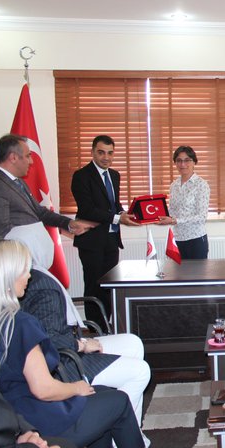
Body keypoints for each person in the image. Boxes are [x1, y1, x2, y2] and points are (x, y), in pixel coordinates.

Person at [0, 237, 163, 448]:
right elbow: (43, 389)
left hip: (11, 413)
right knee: (117, 402)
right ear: (6, 278)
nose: (29, 275)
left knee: (101, 395)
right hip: (38, 417)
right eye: (23, 270)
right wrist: (75, 388)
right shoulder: (20, 323)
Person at [19, 268, 151, 445]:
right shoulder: (40, 286)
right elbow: (48, 340)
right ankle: (121, 441)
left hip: (69, 344)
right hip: (62, 361)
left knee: (133, 343)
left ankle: (129, 429)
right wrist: (81, 345)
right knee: (141, 371)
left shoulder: (33, 279)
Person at [72, 135, 139, 327]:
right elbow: (87, 210)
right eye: (101, 152)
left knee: (110, 286)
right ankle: (96, 330)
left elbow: (113, 205)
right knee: (94, 287)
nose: (106, 157)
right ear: (93, 152)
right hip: (91, 241)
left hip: (111, 240)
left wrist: (124, 213)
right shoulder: (81, 176)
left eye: (110, 153)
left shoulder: (115, 175)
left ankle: (107, 326)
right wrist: (117, 218)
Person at [0, 133, 93, 238]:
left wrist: (69, 223)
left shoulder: (18, 181)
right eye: (28, 156)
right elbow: (0, 234)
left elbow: (40, 212)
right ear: (13, 158)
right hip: (17, 254)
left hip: (30, 252)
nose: (31, 161)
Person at [157, 145, 210, 259]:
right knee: (177, 271)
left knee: (197, 271)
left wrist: (175, 220)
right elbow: (172, 210)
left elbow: (201, 216)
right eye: (179, 160)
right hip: (177, 239)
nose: (182, 164)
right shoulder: (174, 185)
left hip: (195, 240)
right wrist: (157, 217)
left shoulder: (201, 185)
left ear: (194, 162)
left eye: (187, 160)